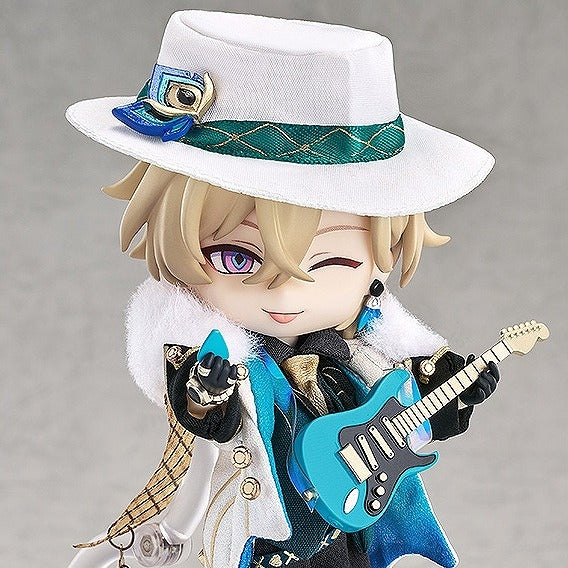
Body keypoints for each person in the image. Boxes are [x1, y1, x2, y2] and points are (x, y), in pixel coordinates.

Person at [65, 11, 499, 568]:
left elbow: (406, 423)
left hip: (349, 544)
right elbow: (204, 424)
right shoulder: (214, 360)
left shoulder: (364, 355)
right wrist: (205, 394)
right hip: (255, 547)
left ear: (381, 258)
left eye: (333, 261)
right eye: (237, 257)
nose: (286, 294)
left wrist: (449, 390)